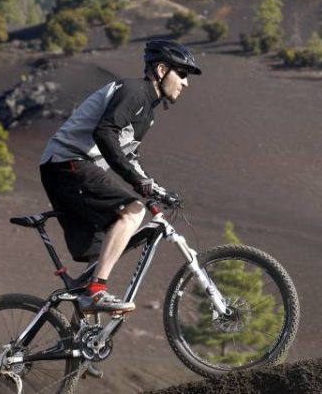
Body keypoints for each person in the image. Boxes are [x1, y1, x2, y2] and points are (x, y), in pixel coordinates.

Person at [39, 39, 201, 312]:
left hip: (70, 169)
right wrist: (138, 183)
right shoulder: (134, 91)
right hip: (67, 164)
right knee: (133, 211)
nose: (186, 83)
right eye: (182, 74)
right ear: (162, 70)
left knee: (102, 252)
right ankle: (95, 293)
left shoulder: (146, 112)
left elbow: (128, 156)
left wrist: (157, 189)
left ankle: (81, 334)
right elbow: (105, 133)